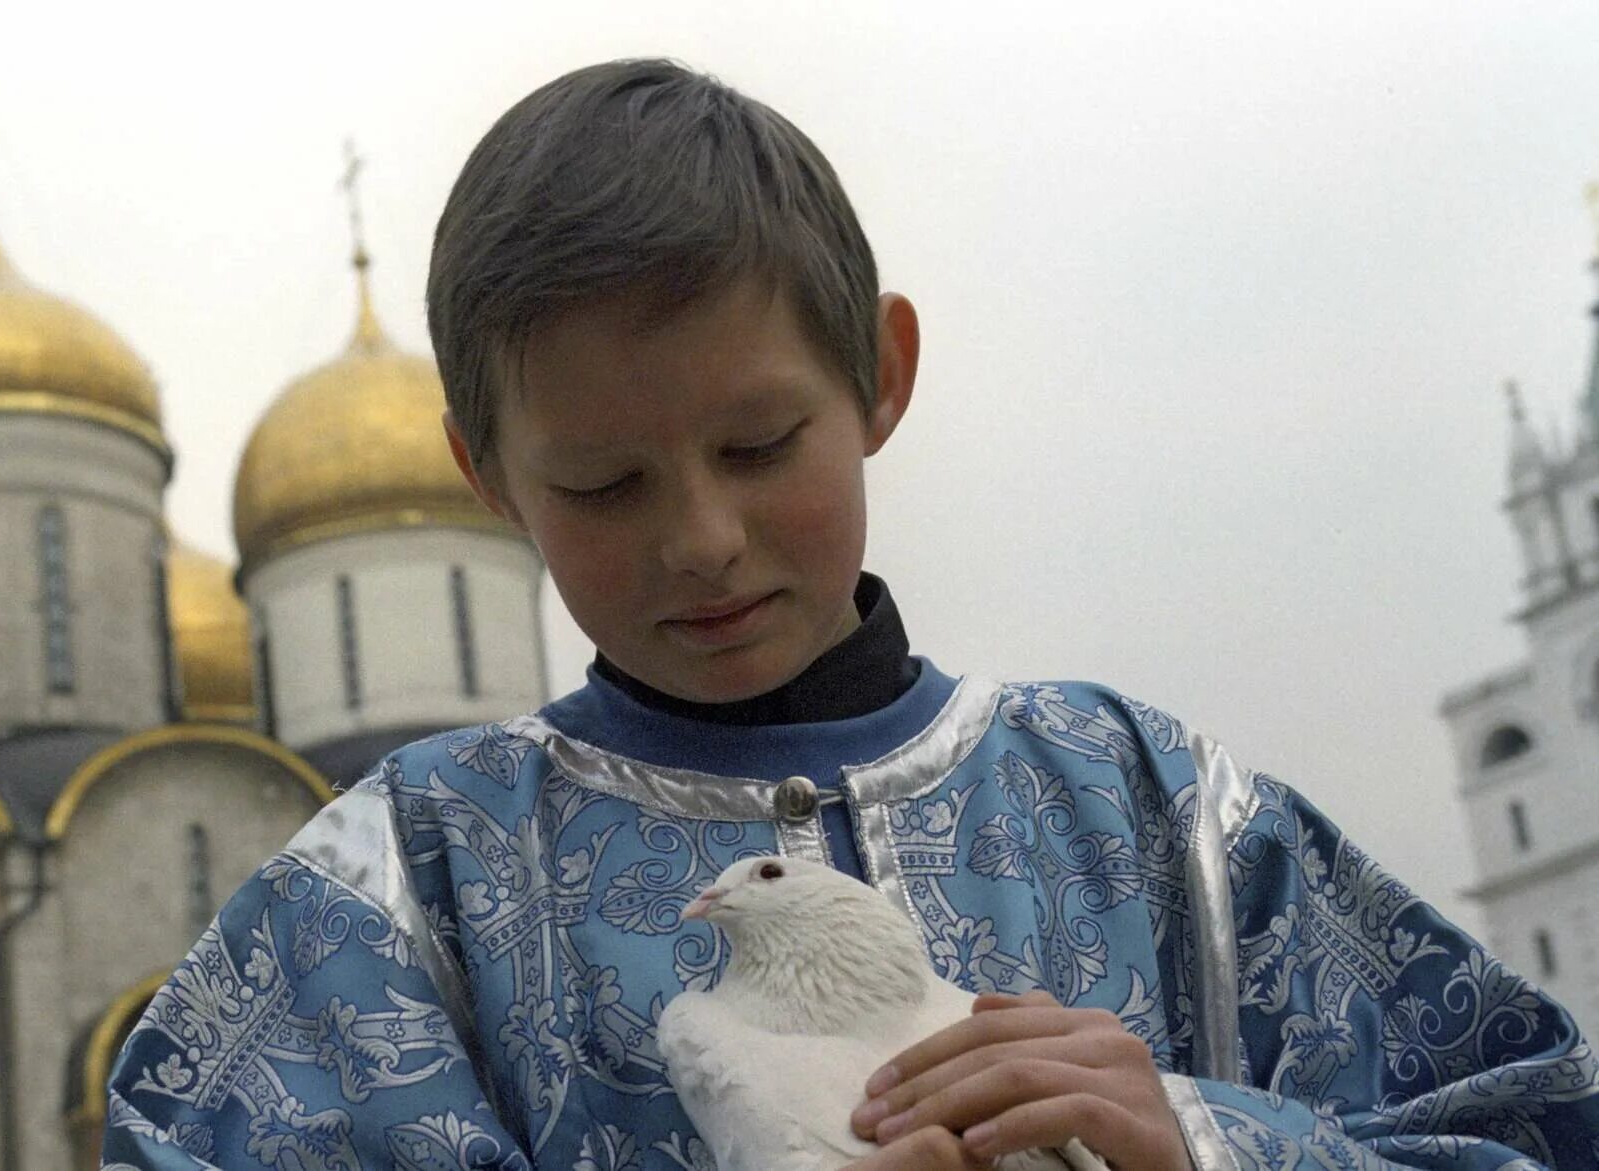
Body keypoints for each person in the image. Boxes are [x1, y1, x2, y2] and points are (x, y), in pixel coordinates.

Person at [102, 59, 1597, 1169]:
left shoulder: (1158, 814)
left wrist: (1203, 1140)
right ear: (486, 478)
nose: (701, 539)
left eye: (759, 448)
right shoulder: (393, 894)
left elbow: (1541, 1129)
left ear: (881, 374)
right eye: (606, 483)